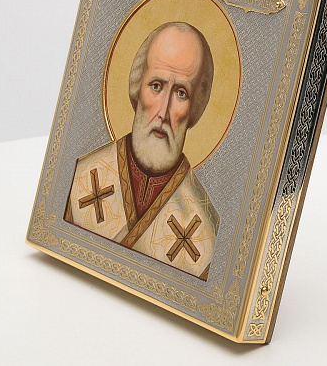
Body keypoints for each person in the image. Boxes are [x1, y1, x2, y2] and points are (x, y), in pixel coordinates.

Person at [64, 22, 219, 281]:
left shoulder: (205, 232)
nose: (163, 112)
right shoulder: (80, 178)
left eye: (181, 93)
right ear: (137, 86)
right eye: (156, 86)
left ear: (196, 107)